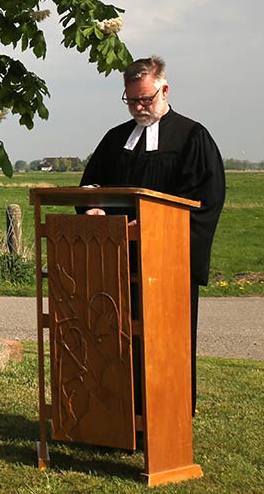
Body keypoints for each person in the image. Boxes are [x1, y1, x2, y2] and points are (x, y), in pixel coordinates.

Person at [80, 55, 225, 414]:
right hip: (115, 260)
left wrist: (152, 228)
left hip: (166, 264)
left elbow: (203, 202)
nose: (139, 107)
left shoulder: (192, 137)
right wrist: (92, 208)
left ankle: (166, 417)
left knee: (164, 344)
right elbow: (91, 183)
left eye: (146, 99)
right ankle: (119, 416)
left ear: (165, 89)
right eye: (132, 100)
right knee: (116, 339)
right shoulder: (116, 139)